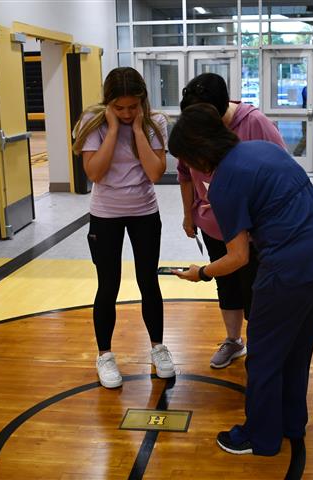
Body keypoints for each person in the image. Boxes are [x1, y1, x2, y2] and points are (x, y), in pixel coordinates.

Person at [168, 103, 313, 456]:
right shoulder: (262, 149)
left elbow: (238, 257)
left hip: (289, 266)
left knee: (264, 355)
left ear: (199, 154)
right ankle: (291, 422)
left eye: (186, 160)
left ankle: (260, 437)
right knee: (297, 347)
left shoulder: (223, 184)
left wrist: (201, 273)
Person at [72, 67, 175, 388]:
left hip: (145, 211)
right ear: (108, 104)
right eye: (120, 108)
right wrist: (114, 130)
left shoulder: (155, 122)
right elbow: (96, 173)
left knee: (148, 281)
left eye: (133, 107)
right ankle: (104, 355)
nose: (127, 113)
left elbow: (156, 173)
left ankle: (158, 348)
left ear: (142, 102)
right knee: (108, 285)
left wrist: (139, 131)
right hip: (105, 215)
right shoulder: (93, 123)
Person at [178, 73, 286, 369]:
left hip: (253, 230)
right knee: (226, 285)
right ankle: (234, 341)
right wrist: (189, 215)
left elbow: (281, 171)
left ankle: (261, 347)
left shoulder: (255, 123)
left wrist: (200, 272)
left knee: (255, 289)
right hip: (214, 224)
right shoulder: (197, 129)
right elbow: (185, 174)